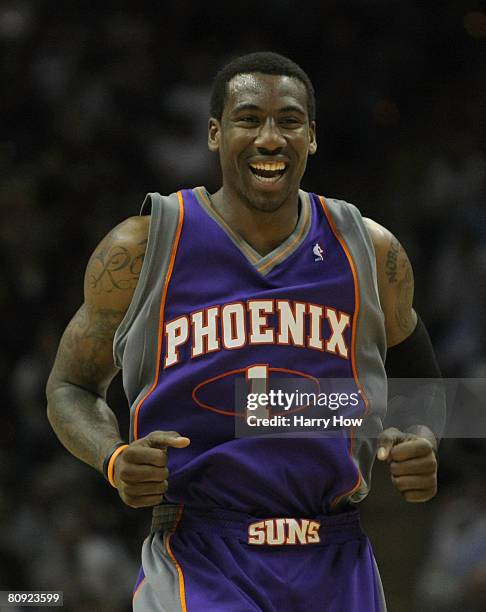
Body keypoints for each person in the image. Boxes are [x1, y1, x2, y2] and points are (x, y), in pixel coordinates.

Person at [46, 52, 443, 611]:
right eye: (249, 118)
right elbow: (69, 386)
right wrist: (113, 457)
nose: (270, 137)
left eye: (289, 121)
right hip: (200, 552)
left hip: (336, 553)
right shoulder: (140, 247)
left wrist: (423, 437)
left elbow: (422, 381)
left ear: (312, 137)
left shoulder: (371, 250)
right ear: (214, 133)